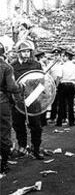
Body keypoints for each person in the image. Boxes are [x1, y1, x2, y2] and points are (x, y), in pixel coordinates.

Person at [10, 40, 44, 160]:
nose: (26, 54)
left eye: (28, 51)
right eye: (23, 52)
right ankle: (22, 148)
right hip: (18, 101)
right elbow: (10, 84)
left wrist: (33, 96)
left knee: (36, 126)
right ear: (18, 53)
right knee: (19, 125)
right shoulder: (12, 66)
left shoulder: (36, 65)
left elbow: (41, 83)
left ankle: (36, 149)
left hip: (33, 101)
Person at [0, 42, 23, 173]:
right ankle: (3, 164)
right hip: (2, 103)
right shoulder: (6, 67)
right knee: (3, 132)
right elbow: (11, 87)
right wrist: (21, 87)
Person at [56, 49, 75, 127]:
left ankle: (59, 122)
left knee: (61, 104)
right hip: (72, 85)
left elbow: (59, 77)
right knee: (70, 104)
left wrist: (57, 86)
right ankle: (71, 122)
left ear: (66, 57)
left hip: (63, 85)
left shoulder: (62, 66)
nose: (63, 58)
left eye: (64, 56)